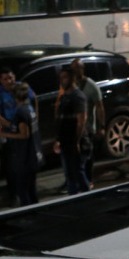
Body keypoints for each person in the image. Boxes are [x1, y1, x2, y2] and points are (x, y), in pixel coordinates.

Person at [0, 67, 34, 204]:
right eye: (5, 79)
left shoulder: (21, 88)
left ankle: (28, 193)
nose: (9, 81)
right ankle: (14, 194)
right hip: (10, 134)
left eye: (10, 77)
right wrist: (11, 126)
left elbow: (34, 98)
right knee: (11, 166)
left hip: (24, 131)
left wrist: (34, 118)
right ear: (0, 81)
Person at [0, 83, 41, 206]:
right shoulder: (30, 109)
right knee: (32, 188)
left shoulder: (21, 113)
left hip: (25, 157)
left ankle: (29, 215)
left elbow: (24, 134)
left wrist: (4, 134)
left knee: (23, 190)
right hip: (33, 154)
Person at [55, 65, 91, 195]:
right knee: (70, 175)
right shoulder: (65, 96)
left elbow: (81, 122)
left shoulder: (78, 96)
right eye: (61, 78)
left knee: (78, 174)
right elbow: (62, 120)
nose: (62, 81)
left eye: (65, 77)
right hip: (66, 142)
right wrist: (58, 140)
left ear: (73, 78)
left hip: (75, 143)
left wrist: (76, 142)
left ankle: (89, 200)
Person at [70, 58, 105, 187]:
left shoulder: (91, 86)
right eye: (72, 68)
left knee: (87, 157)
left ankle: (88, 181)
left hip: (88, 128)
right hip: (74, 127)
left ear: (82, 69)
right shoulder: (71, 84)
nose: (74, 71)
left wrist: (101, 127)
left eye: (76, 68)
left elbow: (100, 107)